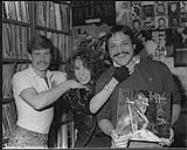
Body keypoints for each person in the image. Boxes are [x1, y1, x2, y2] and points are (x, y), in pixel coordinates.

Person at [89, 25, 181, 148]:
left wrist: (168, 127)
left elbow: (175, 101)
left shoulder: (158, 68)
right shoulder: (105, 78)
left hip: (157, 144)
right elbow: (102, 117)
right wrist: (113, 133)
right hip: (122, 145)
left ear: (133, 45)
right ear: (108, 51)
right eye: (113, 46)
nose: (119, 50)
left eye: (124, 44)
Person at [9, 34, 86, 148]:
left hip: (44, 140)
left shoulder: (55, 76)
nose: (42, 59)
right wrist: (67, 84)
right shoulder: (20, 77)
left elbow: (82, 78)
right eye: (37, 54)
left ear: (51, 56)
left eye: (46, 54)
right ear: (30, 56)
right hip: (24, 141)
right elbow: (38, 103)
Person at [59, 48, 110, 148]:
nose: (82, 73)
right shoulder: (72, 92)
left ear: (92, 68)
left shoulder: (100, 84)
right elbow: (92, 107)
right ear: (72, 71)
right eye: (77, 68)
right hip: (87, 143)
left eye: (85, 67)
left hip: (109, 139)